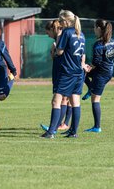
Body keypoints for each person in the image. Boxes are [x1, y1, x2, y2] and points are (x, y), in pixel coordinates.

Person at [41, 10, 89, 138]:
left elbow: (60, 52)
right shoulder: (81, 34)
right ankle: (73, 132)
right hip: (78, 72)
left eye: (61, 21)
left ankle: (51, 132)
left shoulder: (67, 32)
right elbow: (82, 54)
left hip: (67, 71)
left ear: (66, 21)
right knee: (75, 101)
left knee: (56, 101)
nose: (60, 23)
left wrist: (54, 51)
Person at [83, 19, 114, 133]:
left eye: (94, 28)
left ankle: (97, 127)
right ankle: (90, 88)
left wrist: (88, 67)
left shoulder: (98, 45)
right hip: (108, 72)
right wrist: (109, 57)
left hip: (101, 74)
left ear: (98, 28)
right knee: (83, 72)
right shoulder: (112, 42)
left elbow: (96, 62)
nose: (93, 30)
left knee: (95, 99)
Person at [40, 20, 71, 133]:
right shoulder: (59, 38)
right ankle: (60, 125)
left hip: (64, 72)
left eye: (48, 32)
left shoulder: (63, 37)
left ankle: (57, 127)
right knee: (65, 99)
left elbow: (62, 55)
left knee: (63, 99)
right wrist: (53, 53)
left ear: (53, 29)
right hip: (60, 71)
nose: (48, 35)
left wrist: (54, 51)